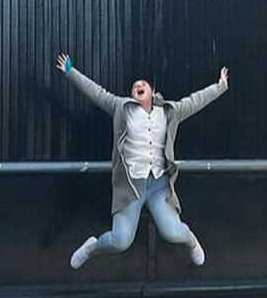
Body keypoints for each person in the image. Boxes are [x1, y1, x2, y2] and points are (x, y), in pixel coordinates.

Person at [55, 53, 229, 268]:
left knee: (173, 232)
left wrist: (220, 86)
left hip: (159, 185)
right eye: (135, 85)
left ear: (152, 91)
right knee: (120, 241)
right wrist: (71, 72)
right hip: (131, 186)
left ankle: (191, 241)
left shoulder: (168, 111)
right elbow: (96, 92)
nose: (138, 85)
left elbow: (195, 101)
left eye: (143, 84)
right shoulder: (121, 107)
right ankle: (93, 247)